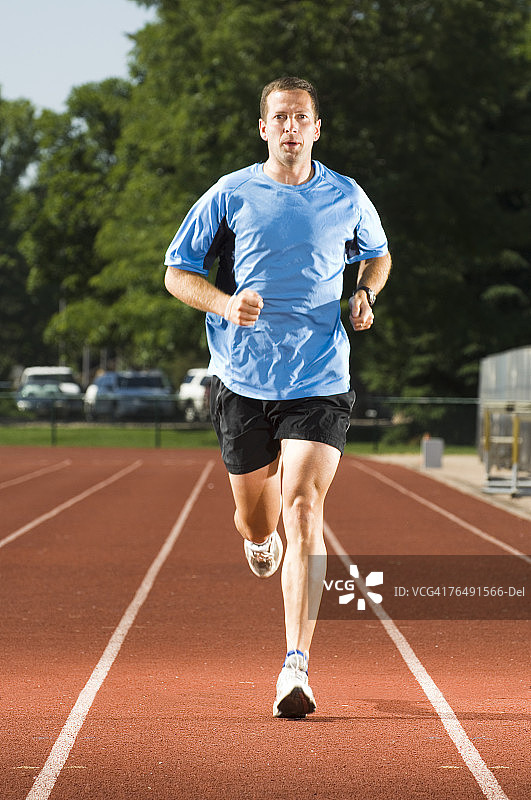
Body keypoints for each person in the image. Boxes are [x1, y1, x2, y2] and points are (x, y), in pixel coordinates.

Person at [164, 76, 391, 718]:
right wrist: (225, 302)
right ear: (263, 128)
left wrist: (365, 293)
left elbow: (377, 255)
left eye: (302, 117)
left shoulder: (346, 195)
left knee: (303, 504)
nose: (291, 126)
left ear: (318, 128)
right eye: (281, 117)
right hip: (243, 378)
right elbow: (177, 274)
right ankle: (258, 542)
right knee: (258, 522)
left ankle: (296, 668)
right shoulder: (231, 194)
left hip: (320, 377)